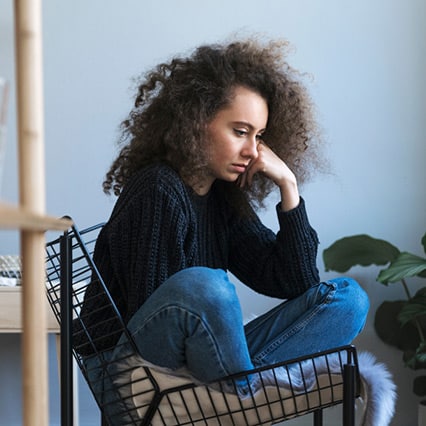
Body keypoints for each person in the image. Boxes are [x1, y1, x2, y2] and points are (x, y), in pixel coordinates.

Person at [75, 38, 369, 390]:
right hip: (129, 368)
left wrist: (288, 186)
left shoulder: (222, 201)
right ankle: (242, 395)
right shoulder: (157, 188)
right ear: (195, 123)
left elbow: (296, 283)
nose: (252, 150)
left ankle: (237, 393)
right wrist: (207, 303)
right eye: (240, 132)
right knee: (206, 285)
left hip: (204, 372)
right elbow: (154, 313)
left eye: (259, 136)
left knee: (348, 300)